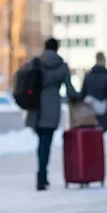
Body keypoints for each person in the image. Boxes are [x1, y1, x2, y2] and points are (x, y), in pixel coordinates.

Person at [24, 38, 80, 191]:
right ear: (57, 49)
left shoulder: (36, 63)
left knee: (41, 143)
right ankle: (42, 176)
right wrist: (79, 96)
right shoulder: (62, 66)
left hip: (36, 107)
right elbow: (70, 90)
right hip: (52, 107)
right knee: (46, 143)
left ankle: (41, 175)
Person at [81, 52, 107, 132]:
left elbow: (83, 93)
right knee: (101, 132)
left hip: (89, 108)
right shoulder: (106, 76)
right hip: (103, 108)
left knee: (91, 132)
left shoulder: (89, 76)